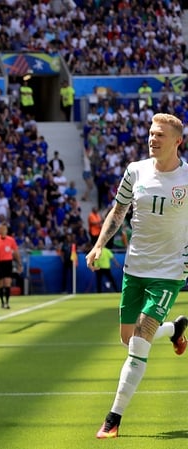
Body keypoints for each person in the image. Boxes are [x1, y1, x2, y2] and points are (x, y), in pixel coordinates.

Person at [87, 113, 188, 439]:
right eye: (150, 133)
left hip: (170, 271)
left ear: (177, 141)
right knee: (127, 338)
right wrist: (99, 245)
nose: (153, 139)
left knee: (140, 342)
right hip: (136, 267)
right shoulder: (135, 170)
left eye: (160, 134)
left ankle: (112, 419)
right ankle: (175, 329)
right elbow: (118, 212)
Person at [0, 223, 21, 309]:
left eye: (4, 229)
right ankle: (2, 302)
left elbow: (16, 252)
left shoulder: (11, 240)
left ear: (6, 230)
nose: (3, 231)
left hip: (8, 262)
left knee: (7, 282)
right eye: (1, 229)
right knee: (0, 283)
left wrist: (19, 263)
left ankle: (7, 302)